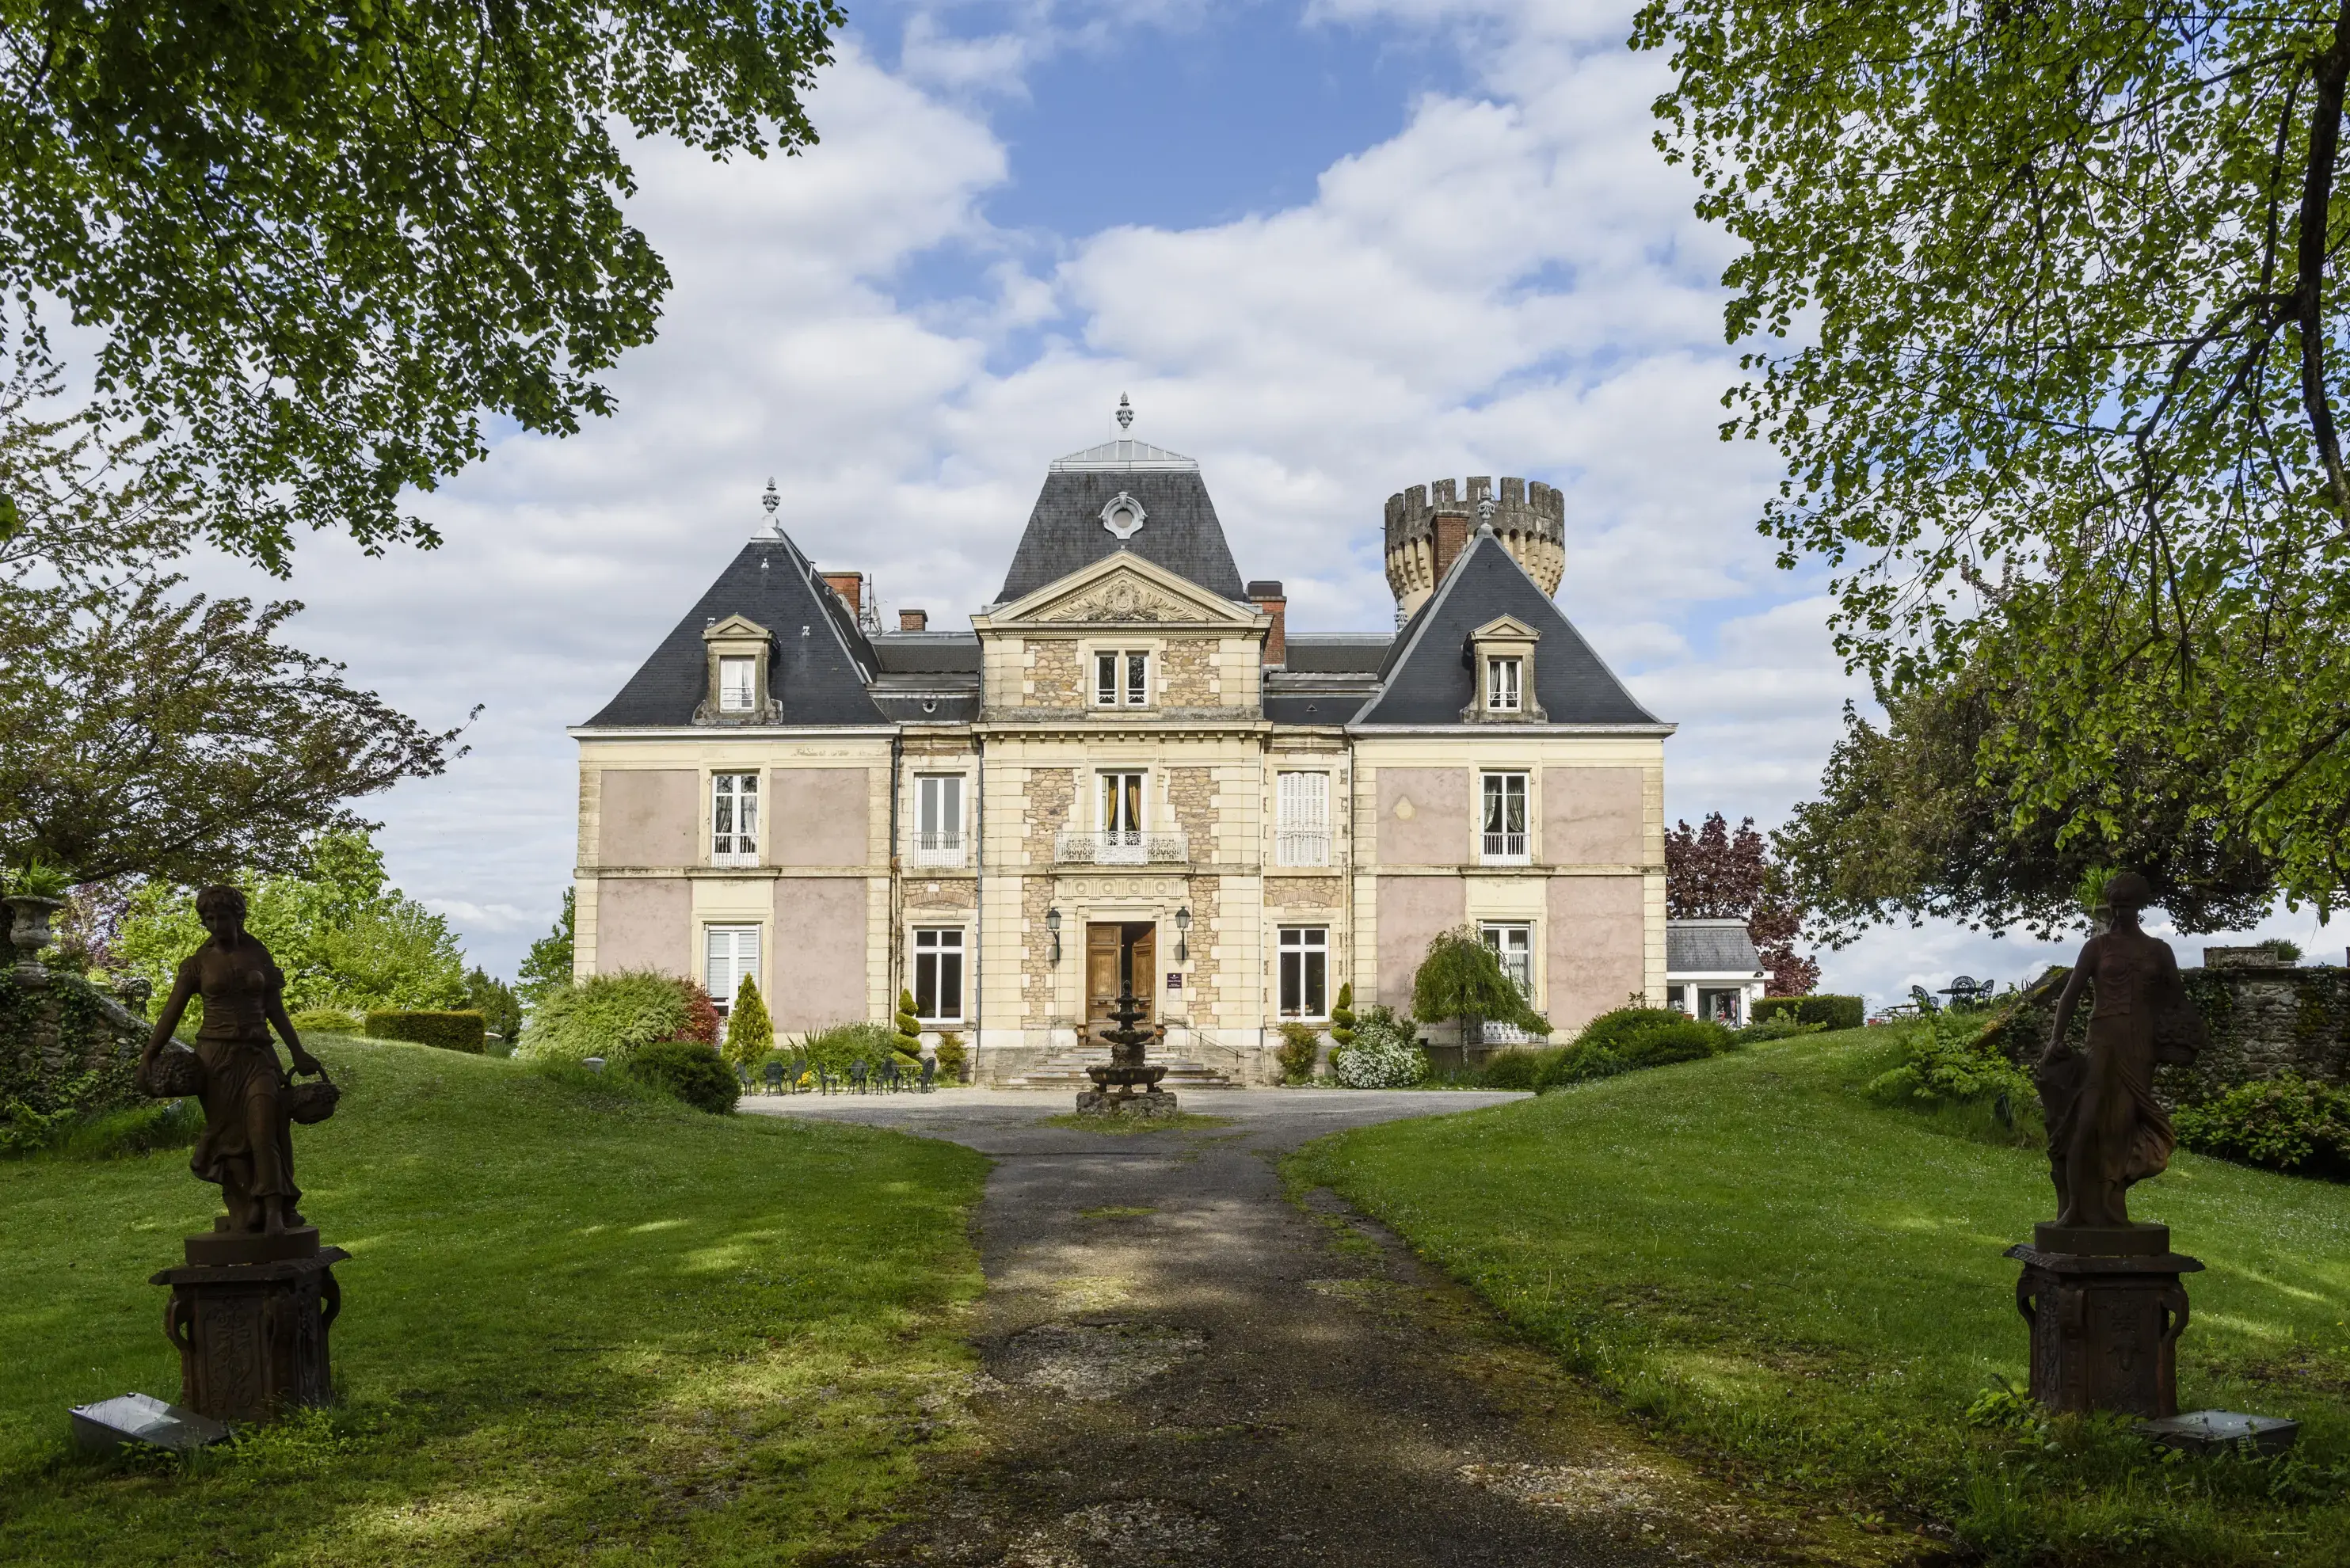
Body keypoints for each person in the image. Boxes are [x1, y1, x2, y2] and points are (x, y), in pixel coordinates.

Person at [144, 885, 323, 1234]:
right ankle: (248, 1208)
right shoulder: (197, 964)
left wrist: (298, 1051)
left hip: (257, 1054)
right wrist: (149, 1055)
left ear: (238, 917)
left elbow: (274, 1009)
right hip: (215, 1059)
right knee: (230, 1139)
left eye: (221, 918)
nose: (214, 925)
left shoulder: (259, 955)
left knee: (263, 1127)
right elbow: (171, 1013)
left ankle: (274, 1208)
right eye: (208, 919)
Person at [2037, 872, 2205, 1228]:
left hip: (2139, 1043)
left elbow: (2178, 1001)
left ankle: (2112, 1202)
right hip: (2103, 1038)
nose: (2118, 910)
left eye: (2125, 904)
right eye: (2114, 903)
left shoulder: (2159, 950)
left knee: (2122, 1124)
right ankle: (2074, 1207)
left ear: (2139, 906)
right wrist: (2057, 1036)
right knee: (2086, 1119)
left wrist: (2186, 1038)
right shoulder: (2096, 947)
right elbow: (2070, 993)